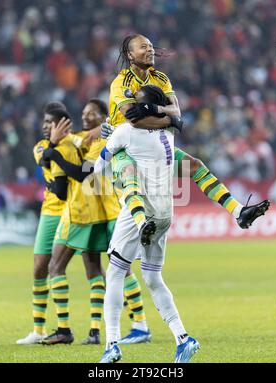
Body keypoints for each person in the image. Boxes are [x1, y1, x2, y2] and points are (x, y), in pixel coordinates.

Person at [106, 34, 270, 232]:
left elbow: (177, 112)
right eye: (143, 47)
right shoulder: (121, 82)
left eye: (150, 45)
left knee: (195, 166)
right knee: (129, 174)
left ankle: (238, 212)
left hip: (154, 144)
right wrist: (170, 121)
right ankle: (141, 223)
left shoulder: (160, 78)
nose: (150, 49)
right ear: (129, 55)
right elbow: (134, 119)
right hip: (126, 147)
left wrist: (153, 110)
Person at [96, 85, 199, 363]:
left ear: (144, 109)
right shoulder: (167, 133)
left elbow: (97, 169)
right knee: (153, 277)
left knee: (115, 273)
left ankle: (112, 344)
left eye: (135, 102)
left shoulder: (126, 132)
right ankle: (183, 338)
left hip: (138, 211)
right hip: (165, 213)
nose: (129, 105)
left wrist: (113, 155)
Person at [43, 99, 152, 345]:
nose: (85, 116)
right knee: (98, 269)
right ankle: (100, 330)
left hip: (106, 210)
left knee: (118, 268)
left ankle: (139, 324)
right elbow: (75, 140)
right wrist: (53, 145)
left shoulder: (104, 141)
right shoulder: (87, 137)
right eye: (83, 112)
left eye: (91, 113)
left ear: (103, 117)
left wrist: (54, 154)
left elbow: (86, 172)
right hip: (95, 211)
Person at [16, 102, 72, 345]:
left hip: (77, 209)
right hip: (50, 211)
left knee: (98, 266)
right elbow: (45, 160)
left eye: (51, 123)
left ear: (63, 124)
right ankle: (38, 329)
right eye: (45, 122)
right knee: (40, 266)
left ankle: (137, 322)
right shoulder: (40, 146)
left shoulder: (75, 144)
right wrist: (54, 143)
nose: (46, 126)